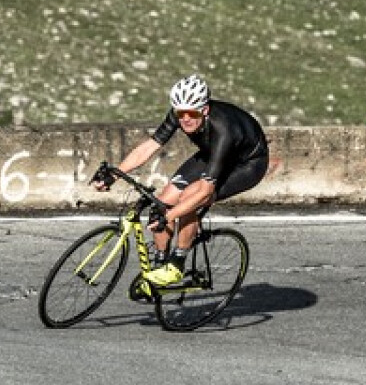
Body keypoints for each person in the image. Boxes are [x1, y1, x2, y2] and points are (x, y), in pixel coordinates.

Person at [94, 74, 269, 287]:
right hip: (211, 154)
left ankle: (177, 263)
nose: (185, 118)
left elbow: (204, 192)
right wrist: (114, 174)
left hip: (246, 164)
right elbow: (149, 147)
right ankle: (159, 264)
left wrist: (170, 216)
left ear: (204, 111)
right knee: (164, 199)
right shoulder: (180, 114)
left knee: (190, 198)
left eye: (191, 113)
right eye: (180, 113)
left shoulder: (224, 129)